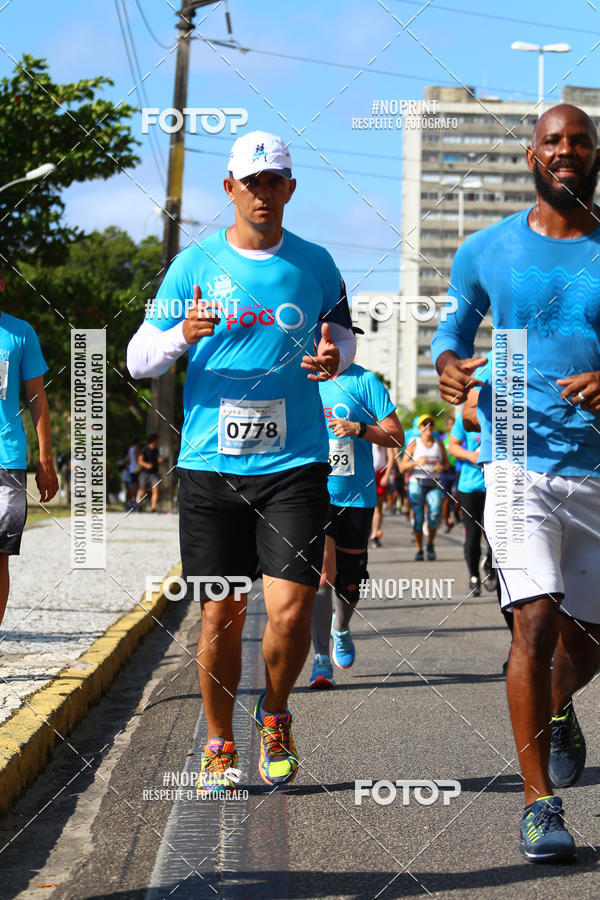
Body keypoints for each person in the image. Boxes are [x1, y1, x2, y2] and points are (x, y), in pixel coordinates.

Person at [127, 131, 356, 791]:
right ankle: (220, 743)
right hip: (211, 465)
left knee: (289, 610)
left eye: (274, 180)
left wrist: (334, 361)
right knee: (221, 615)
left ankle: (276, 711)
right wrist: (179, 335)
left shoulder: (316, 264)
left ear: (289, 188)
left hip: (295, 462)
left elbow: (342, 344)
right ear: (229, 188)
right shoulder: (193, 264)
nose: (263, 192)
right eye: (250, 182)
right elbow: (138, 360)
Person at [432, 104, 600, 863]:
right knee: (532, 619)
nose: (567, 152)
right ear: (532, 154)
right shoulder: (486, 250)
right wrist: (445, 364)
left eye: (581, 142)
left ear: (595, 155)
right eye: (554, 142)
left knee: (588, 643)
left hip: (594, 466)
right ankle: (540, 805)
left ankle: (557, 702)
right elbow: (452, 331)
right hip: (514, 457)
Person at [310, 363, 404, 687]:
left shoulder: (365, 381)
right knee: (323, 575)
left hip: (356, 497)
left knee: (350, 584)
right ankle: (321, 660)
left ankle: (341, 628)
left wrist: (359, 429)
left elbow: (396, 435)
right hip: (313, 493)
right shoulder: (297, 374)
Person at [0, 258, 59, 626]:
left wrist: (46, 459)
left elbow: (37, 398)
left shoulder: (20, 333)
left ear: (2, 284)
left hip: (7, 459)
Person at [447, 410, 495, 596]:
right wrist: (470, 455)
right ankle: (474, 577)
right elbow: (453, 446)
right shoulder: (464, 417)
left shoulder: (501, 412)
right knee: (473, 535)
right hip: (470, 486)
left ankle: (491, 566)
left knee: (495, 533)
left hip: (497, 485)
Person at [400, 414, 449, 561]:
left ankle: (430, 544)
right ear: (420, 428)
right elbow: (402, 466)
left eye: (430, 424)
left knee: (434, 515)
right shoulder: (414, 443)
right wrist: (415, 463)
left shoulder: (438, 443)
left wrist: (442, 466)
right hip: (417, 483)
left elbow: (447, 463)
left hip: (434, 482)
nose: (428, 427)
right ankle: (419, 549)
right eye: (424, 424)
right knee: (419, 517)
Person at [137, 434, 162, 513]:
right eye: (157, 439)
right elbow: (140, 460)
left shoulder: (156, 450)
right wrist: (146, 465)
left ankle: (153, 507)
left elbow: (157, 458)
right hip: (145, 473)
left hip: (154, 473)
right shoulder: (144, 449)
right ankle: (139, 505)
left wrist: (159, 460)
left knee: (155, 489)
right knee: (142, 491)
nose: (158, 441)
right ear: (153, 440)